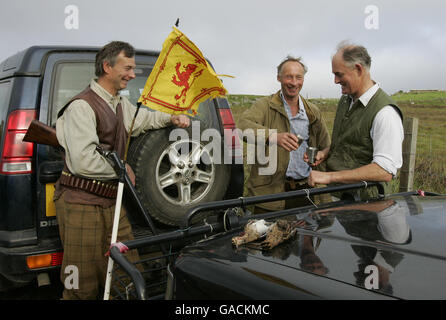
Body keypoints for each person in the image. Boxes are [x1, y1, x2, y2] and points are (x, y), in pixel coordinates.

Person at [53, 41, 190, 300]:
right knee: (81, 283)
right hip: (81, 204)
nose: (132, 74)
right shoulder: (81, 106)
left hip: (112, 203)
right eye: (127, 68)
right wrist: (121, 168)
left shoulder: (118, 103)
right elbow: (82, 161)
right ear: (107, 66)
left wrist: (170, 117)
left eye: (133, 68)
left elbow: (143, 120)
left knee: (125, 275)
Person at [308, 42, 404, 199]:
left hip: (366, 205)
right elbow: (351, 142)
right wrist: (326, 153)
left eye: (339, 74)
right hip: (341, 198)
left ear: (358, 69)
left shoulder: (385, 113)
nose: (335, 81)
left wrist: (329, 177)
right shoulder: (346, 101)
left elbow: (384, 171)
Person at [238, 56, 331, 213]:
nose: (294, 83)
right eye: (289, 76)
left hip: (306, 191)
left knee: (305, 236)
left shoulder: (312, 112)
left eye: (298, 77)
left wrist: (321, 154)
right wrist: (273, 137)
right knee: (267, 236)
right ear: (279, 78)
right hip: (269, 194)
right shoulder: (264, 106)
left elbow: (327, 146)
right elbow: (241, 127)